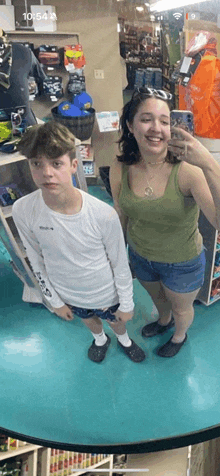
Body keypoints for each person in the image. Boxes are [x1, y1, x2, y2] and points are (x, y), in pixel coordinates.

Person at [12, 121, 145, 364]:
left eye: (56, 163)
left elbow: (119, 263)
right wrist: (55, 301)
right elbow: (35, 258)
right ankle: (100, 340)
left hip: (106, 292)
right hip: (69, 292)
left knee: (115, 321)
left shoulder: (102, 214)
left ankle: (124, 340)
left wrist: (126, 302)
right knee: (88, 319)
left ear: (74, 165)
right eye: (37, 164)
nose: (47, 173)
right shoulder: (23, 209)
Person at [110, 87, 220, 358]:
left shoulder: (189, 172)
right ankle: (163, 321)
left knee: (182, 308)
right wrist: (118, 256)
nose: (156, 128)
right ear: (130, 125)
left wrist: (208, 164)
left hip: (182, 261)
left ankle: (179, 335)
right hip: (140, 254)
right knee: (159, 300)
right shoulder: (120, 166)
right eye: (146, 119)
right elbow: (120, 213)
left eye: (164, 120)